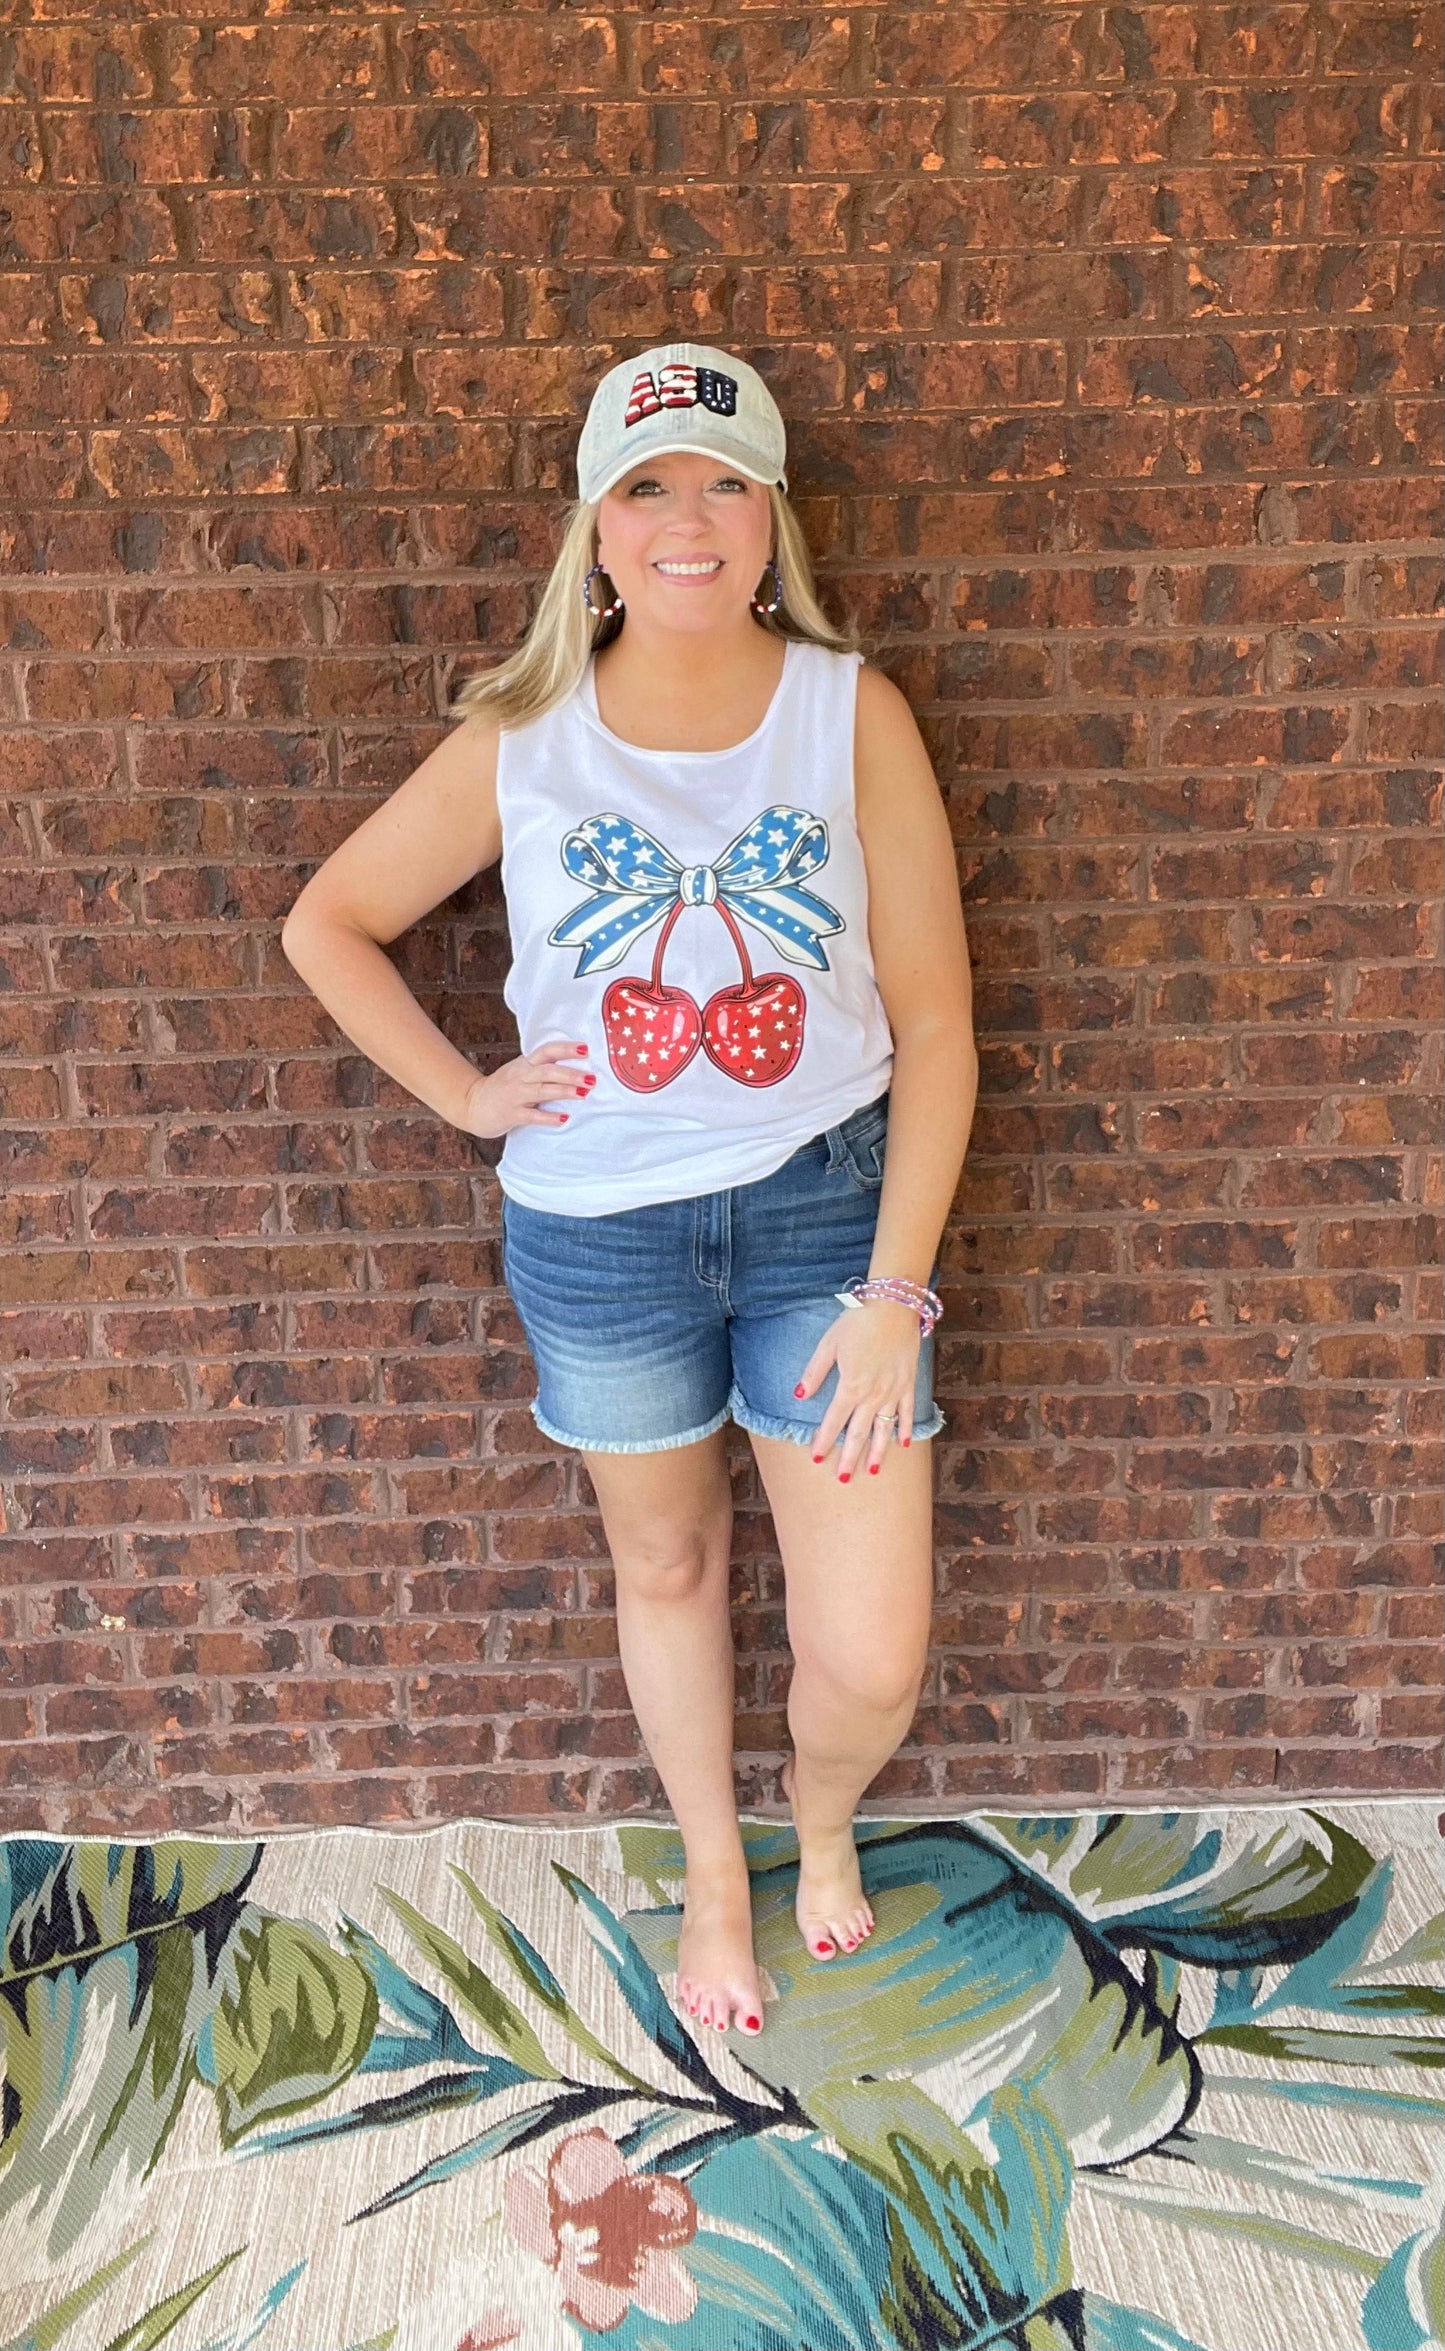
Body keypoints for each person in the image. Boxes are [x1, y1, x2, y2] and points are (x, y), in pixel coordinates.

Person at [281, 342, 978, 2040]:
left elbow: (943, 1026)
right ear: (595, 527)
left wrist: (895, 1294)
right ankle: (719, 1883)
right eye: (648, 487)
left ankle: (818, 1824)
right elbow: (328, 923)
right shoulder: (524, 739)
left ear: (769, 518)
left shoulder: (845, 710)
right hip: (597, 1243)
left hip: (827, 1219)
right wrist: (468, 1094)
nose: (687, 521)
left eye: (722, 483)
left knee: (868, 1652)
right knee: (663, 1569)